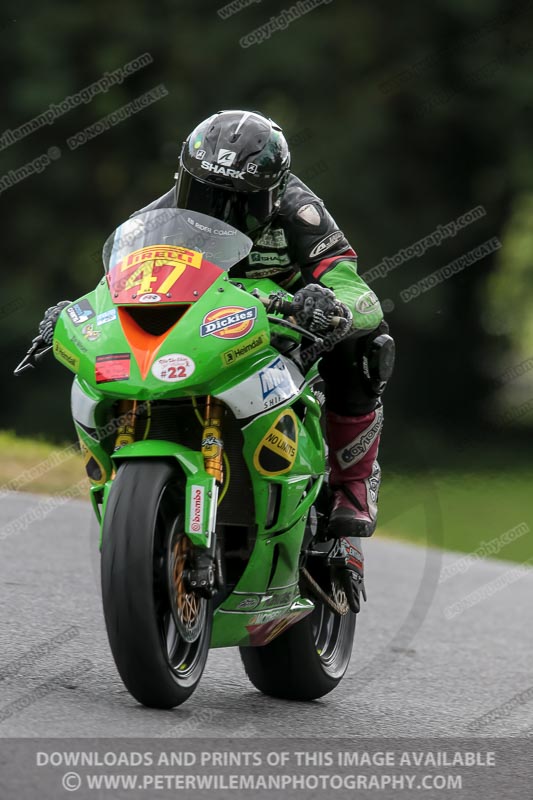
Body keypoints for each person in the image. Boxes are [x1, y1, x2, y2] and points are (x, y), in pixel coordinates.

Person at [37, 110, 395, 601]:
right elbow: (116, 287)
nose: (221, 210)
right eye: (206, 195)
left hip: (288, 325)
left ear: (273, 193)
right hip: (204, 332)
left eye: (240, 201)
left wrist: (330, 303)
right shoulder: (155, 219)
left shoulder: (302, 213)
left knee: (367, 343)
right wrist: (77, 312)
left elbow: (359, 292)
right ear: (184, 180)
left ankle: (352, 482)